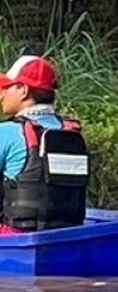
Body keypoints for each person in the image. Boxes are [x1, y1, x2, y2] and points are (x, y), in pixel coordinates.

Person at [0, 56, 88, 233]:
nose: (1, 94)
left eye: (7, 87)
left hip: (14, 239)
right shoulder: (72, 131)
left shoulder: (7, 132)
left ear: (23, 90)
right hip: (68, 235)